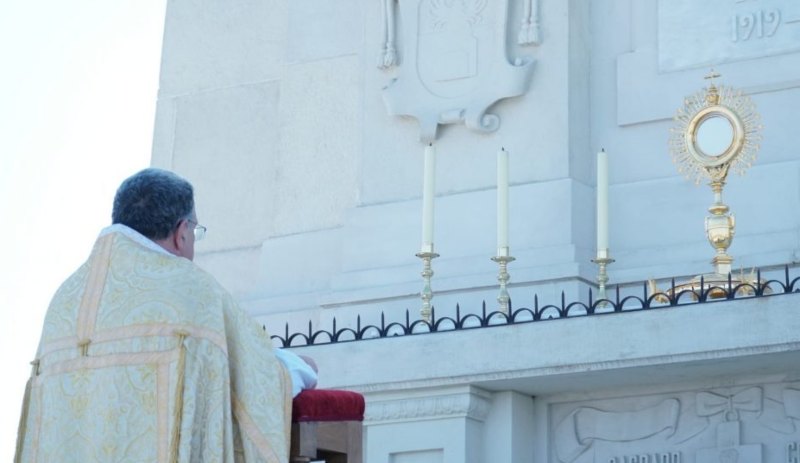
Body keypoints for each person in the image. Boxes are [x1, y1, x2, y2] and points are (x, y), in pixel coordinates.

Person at [15, 168, 316, 463]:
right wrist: (300, 367)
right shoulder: (192, 290)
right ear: (181, 232)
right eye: (195, 231)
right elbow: (256, 382)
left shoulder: (64, 300)